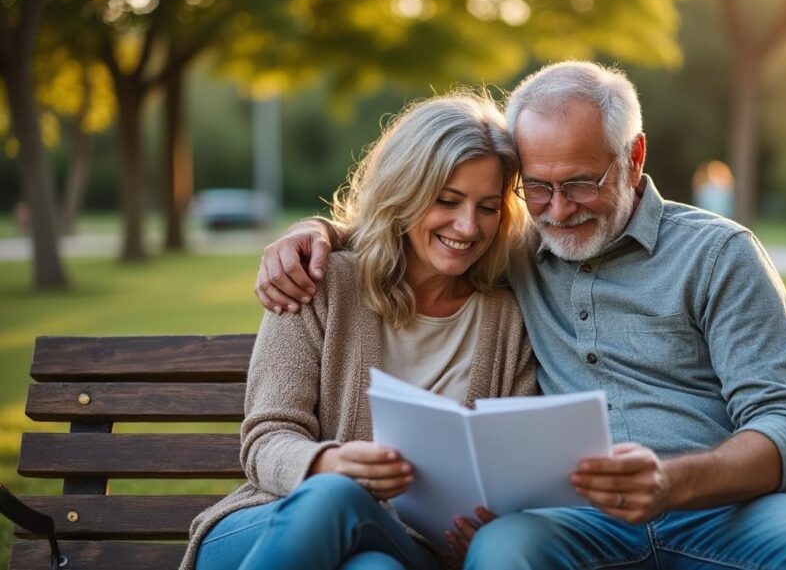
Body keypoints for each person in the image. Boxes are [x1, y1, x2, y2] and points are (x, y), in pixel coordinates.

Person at [255, 62, 786, 569]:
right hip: (579, 523)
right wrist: (316, 234)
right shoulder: (514, 248)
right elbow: (422, 227)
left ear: (635, 157)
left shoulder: (719, 254)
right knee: (503, 551)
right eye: (537, 187)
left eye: (581, 183)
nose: (559, 210)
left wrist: (672, 482)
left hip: (731, 510)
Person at [181, 92, 537, 570]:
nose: (468, 226)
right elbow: (267, 438)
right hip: (272, 522)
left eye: (488, 207)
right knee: (337, 497)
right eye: (447, 201)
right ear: (405, 192)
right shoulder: (319, 282)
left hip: (410, 547)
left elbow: (513, 471)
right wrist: (329, 465)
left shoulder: (508, 320)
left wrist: (492, 519)